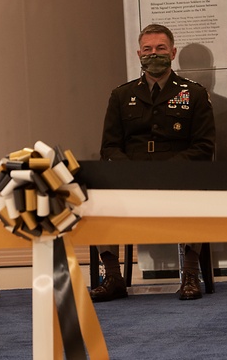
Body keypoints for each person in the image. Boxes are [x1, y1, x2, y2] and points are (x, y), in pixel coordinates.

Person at [91, 24, 215, 302]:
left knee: (195, 193)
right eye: (147, 50)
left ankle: (191, 275)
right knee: (97, 197)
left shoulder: (193, 94)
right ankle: (112, 276)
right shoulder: (121, 96)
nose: (154, 54)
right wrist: (131, 172)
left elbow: (204, 148)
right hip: (131, 177)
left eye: (160, 49)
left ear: (172, 52)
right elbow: (109, 147)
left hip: (177, 176)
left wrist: (167, 170)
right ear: (139, 54)